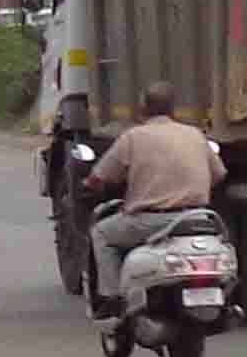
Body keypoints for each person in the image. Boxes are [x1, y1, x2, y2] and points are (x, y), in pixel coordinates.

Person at [84, 83, 225, 307]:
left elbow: (99, 177)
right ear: (173, 110)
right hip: (196, 218)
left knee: (101, 233)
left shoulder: (133, 137)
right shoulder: (195, 135)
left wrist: (90, 184)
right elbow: (218, 174)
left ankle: (110, 298)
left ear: (143, 109)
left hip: (150, 221)